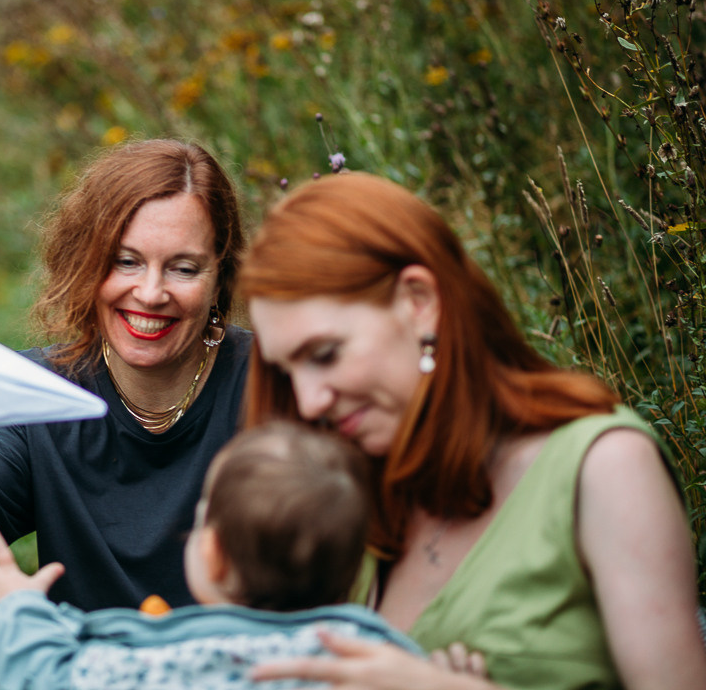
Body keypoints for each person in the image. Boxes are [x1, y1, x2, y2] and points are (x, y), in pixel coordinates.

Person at [238, 171, 706, 689]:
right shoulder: (359, 497)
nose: (308, 401)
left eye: (324, 354)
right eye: (288, 371)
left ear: (420, 302)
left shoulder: (603, 468)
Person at [0, 139, 251, 611]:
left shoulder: (272, 383)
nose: (151, 292)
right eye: (126, 261)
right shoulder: (38, 391)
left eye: (183, 268)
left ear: (221, 277)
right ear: (88, 260)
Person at [0, 423, 423, 690]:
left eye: (201, 514)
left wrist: (18, 609)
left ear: (212, 554)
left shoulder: (174, 663)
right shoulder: (373, 659)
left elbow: (48, 677)